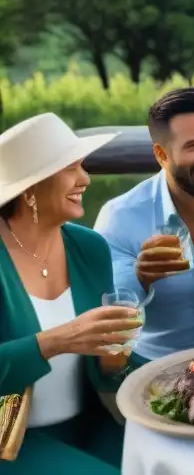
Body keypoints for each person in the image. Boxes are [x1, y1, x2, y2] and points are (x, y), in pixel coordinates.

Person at [0, 113, 141, 473]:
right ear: (30, 187)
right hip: (10, 441)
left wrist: (114, 358)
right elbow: (61, 341)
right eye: (71, 168)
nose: (85, 179)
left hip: (93, 423)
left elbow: (107, 372)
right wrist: (56, 340)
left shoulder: (89, 247)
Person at [93, 87, 194, 364]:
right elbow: (107, 314)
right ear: (161, 154)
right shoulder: (120, 217)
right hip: (154, 369)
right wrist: (140, 277)